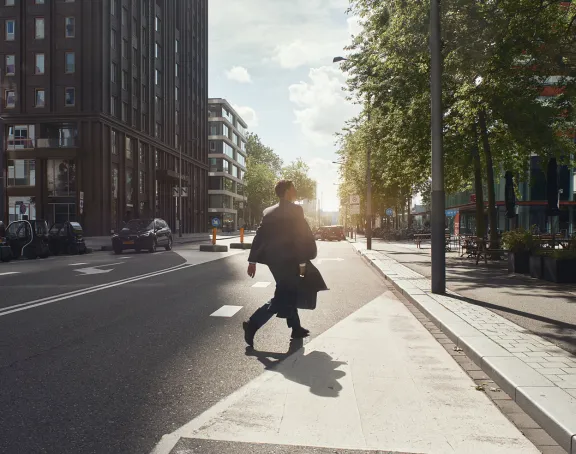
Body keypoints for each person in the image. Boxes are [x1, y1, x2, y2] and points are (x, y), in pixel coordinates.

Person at [243, 180, 317, 347]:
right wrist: (302, 262)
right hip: (290, 261)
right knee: (283, 296)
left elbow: (259, 236)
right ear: (287, 191)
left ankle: (296, 328)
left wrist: (252, 260)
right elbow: (299, 238)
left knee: (288, 290)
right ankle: (252, 324)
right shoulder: (296, 210)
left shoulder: (269, 212)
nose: (296, 190)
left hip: (273, 262)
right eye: (294, 188)